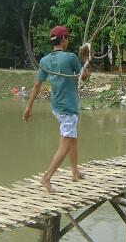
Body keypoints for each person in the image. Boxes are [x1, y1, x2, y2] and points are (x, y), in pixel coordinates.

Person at [23, 26, 91, 192]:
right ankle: (47, 177)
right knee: (66, 144)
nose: (68, 41)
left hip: (56, 107)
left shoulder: (45, 60)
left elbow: (37, 84)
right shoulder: (70, 57)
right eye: (67, 38)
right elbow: (84, 77)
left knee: (72, 138)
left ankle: (74, 171)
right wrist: (87, 60)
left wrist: (28, 106)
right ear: (64, 39)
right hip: (68, 108)